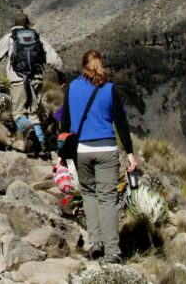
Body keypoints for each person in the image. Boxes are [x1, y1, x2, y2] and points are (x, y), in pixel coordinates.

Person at [61, 49, 138, 264]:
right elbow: (121, 124)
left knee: (88, 194)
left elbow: (65, 123)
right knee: (107, 199)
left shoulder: (72, 87)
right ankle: (112, 250)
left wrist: (63, 156)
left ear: (82, 65)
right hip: (106, 150)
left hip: (82, 150)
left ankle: (95, 242)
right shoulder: (109, 89)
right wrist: (130, 153)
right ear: (100, 64)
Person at [0, 13, 64, 156]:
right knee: (34, 113)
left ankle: (27, 129)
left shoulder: (10, 38)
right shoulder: (37, 37)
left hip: (18, 80)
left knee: (18, 113)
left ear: (14, 24)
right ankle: (41, 146)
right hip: (36, 80)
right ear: (27, 24)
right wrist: (61, 76)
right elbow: (55, 60)